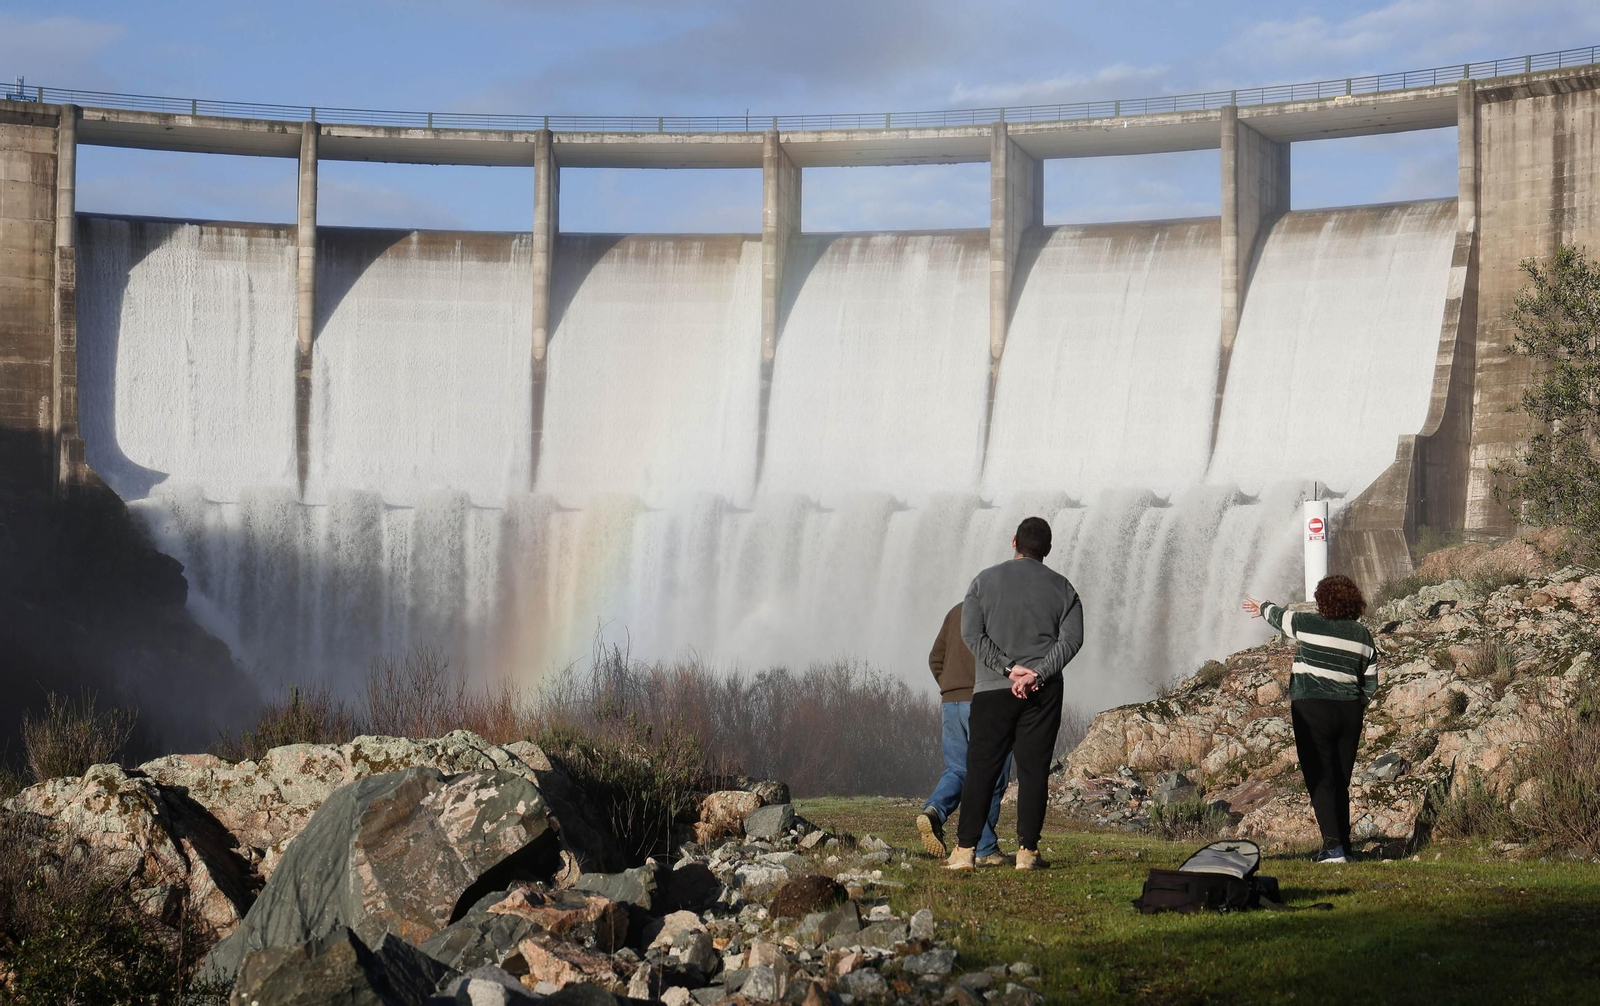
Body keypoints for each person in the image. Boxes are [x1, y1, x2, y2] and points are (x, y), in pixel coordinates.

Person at [946, 516, 1084, 872]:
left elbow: (972, 635)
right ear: (1048, 549)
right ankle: (1027, 852)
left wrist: (1008, 669)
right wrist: (1038, 673)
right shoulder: (1063, 587)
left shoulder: (982, 582)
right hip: (1043, 692)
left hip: (992, 690)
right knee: (1034, 771)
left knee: (981, 769)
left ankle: (965, 851)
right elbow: (1072, 640)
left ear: (1014, 542)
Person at [1243, 574, 1378, 864]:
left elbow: (1281, 618)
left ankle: (1333, 849)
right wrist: (1354, 705)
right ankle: (1345, 847)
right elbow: (1370, 683)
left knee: (1321, 778)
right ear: (1354, 601)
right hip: (1350, 713)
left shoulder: (1310, 624)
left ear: (1322, 601)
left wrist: (1262, 605)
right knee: (1340, 780)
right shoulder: (1363, 635)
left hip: (1312, 708)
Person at [916, 601, 1012, 865]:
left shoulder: (956, 611)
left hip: (951, 703)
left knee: (958, 769)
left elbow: (935, 658)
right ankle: (984, 848)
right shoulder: (999, 610)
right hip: (986, 701)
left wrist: (950, 686)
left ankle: (934, 810)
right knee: (993, 774)